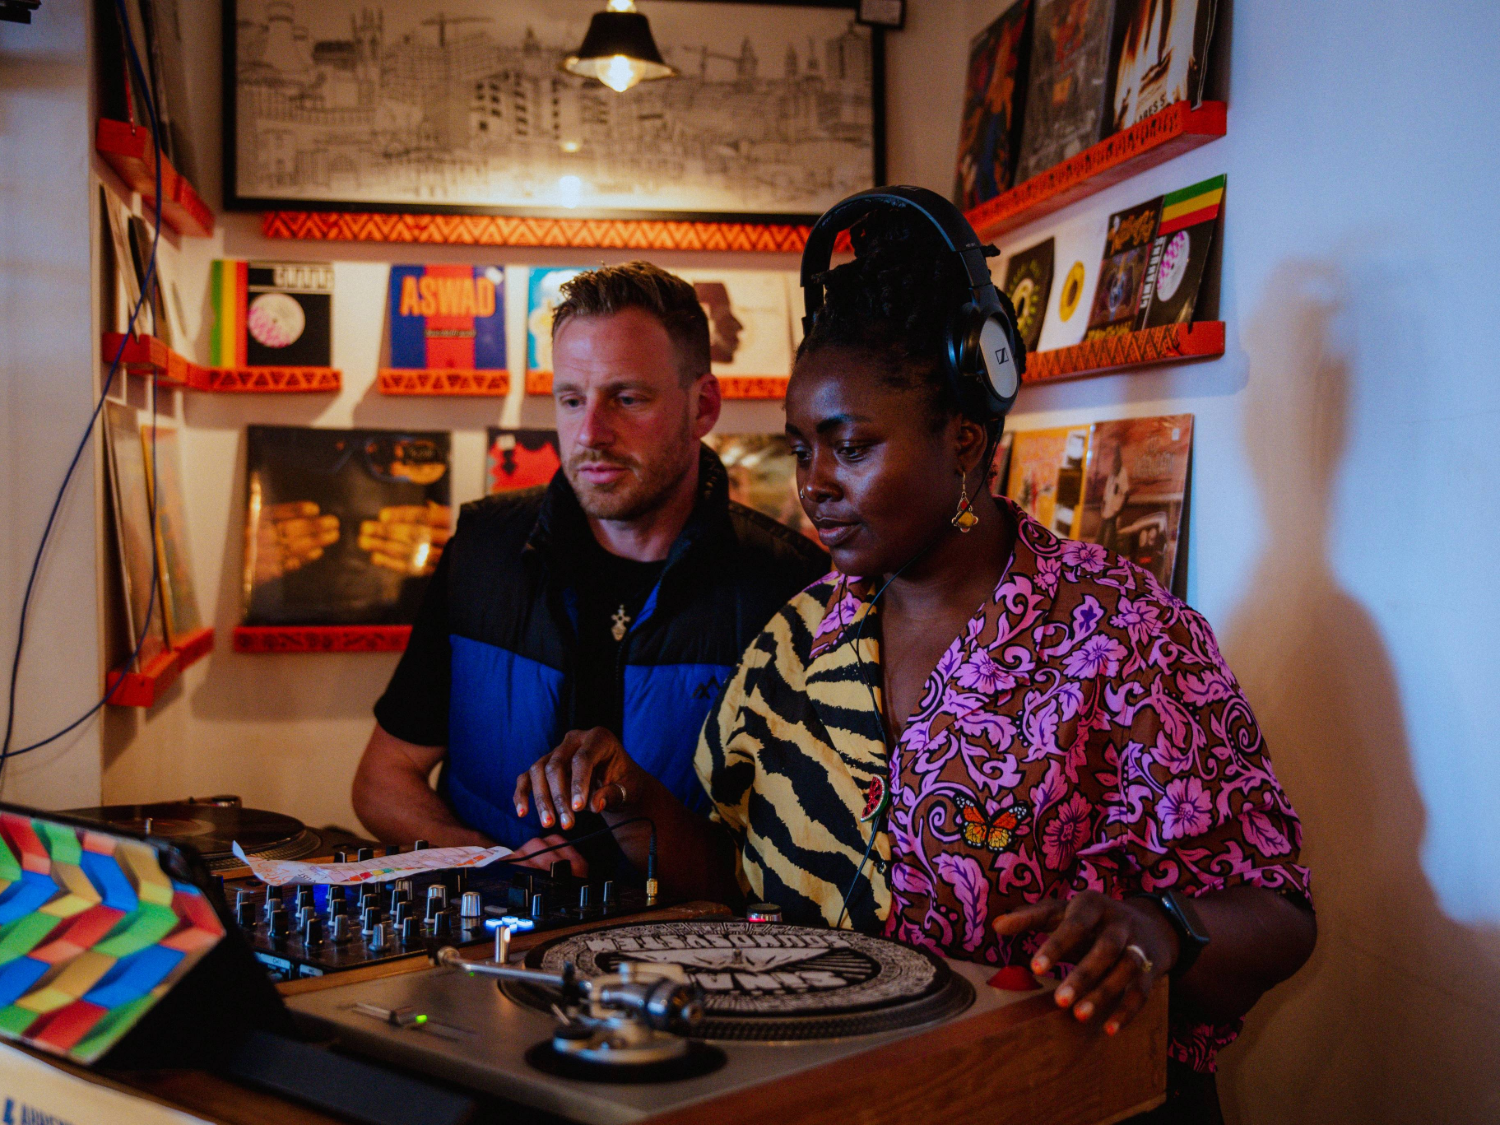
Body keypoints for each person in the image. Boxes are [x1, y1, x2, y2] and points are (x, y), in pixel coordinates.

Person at [513, 203, 1316, 1123]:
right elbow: (743, 888)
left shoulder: (1120, 632)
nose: (815, 484)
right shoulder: (802, 633)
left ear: (963, 442)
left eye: (851, 447)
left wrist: (1160, 926)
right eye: (802, 449)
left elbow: (1283, 915)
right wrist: (636, 803)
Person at [353, 261, 827, 871]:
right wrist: (493, 860)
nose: (591, 433)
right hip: (495, 945)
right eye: (571, 400)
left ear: (702, 406)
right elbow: (382, 780)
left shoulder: (792, 588)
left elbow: (797, 858)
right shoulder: (482, 549)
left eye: (627, 398)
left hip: (688, 952)